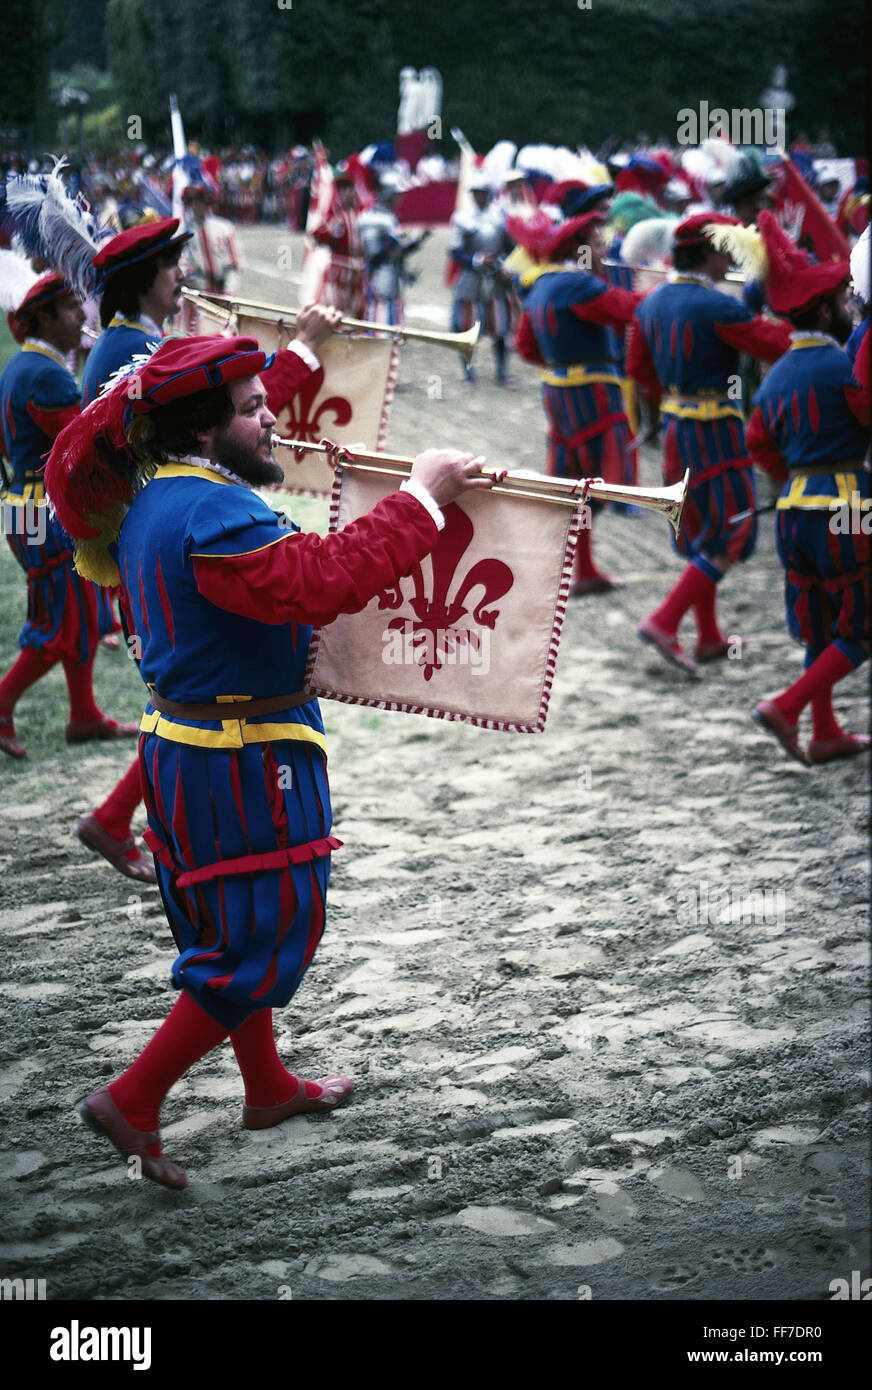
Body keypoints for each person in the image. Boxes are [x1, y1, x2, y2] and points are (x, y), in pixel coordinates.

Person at [45, 331, 492, 1188]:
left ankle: (266, 1083)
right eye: (254, 410)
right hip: (241, 763)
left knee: (225, 927)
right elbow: (321, 582)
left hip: (189, 751)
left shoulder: (162, 497)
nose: (272, 419)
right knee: (267, 933)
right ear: (206, 431)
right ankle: (133, 1098)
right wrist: (422, 500)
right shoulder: (210, 510)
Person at [75, 218, 194, 880]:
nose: (181, 275)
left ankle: (123, 820)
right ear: (145, 277)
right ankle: (125, 822)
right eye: (173, 264)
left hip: (143, 539)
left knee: (182, 694)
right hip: (147, 545)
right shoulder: (131, 353)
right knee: (185, 697)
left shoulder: (130, 343)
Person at [627, 214, 791, 674]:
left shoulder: (652, 302)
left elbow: (639, 370)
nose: (731, 256)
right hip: (715, 430)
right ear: (705, 252)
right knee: (732, 531)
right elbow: (772, 345)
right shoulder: (715, 305)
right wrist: (788, 312)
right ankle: (665, 620)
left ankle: (708, 636)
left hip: (679, 428)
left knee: (701, 530)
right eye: (724, 249)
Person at [742, 212, 869, 764]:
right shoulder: (841, 365)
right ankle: (788, 706)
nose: (849, 307)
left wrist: (794, 472)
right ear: (821, 309)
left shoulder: (773, 375)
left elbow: (758, 444)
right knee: (863, 624)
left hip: (793, 510)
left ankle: (824, 730)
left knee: (818, 621)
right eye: (841, 301)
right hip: (846, 506)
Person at [0, 270, 138, 759]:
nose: (82, 316)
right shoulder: (46, 374)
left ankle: (83, 714)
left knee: (77, 613)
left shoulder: (23, 366)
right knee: (62, 624)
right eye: (71, 309)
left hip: (25, 508)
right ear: (45, 318)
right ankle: (1, 706)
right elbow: (80, 447)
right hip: (45, 513)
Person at [513, 210, 642, 594]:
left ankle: (579, 570)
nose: (604, 249)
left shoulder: (541, 286)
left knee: (574, 483)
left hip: (556, 394)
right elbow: (630, 310)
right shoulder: (579, 286)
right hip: (593, 395)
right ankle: (572, 567)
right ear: (581, 249)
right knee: (605, 482)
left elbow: (526, 346)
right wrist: (669, 294)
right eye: (598, 243)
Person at [448, 171, 516, 386]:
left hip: (495, 280)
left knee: (500, 329)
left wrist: (504, 266)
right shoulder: (462, 218)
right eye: (476, 193)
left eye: (483, 193)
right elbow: (455, 251)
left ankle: (502, 372)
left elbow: (511, 248)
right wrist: (476, 260)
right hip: (470, 280)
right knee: (466, 329)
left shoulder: (500, 217)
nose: (479, 197)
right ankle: (468, 374)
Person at [358, 174, 429, 326]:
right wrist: (393, 240)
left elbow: (397, 252)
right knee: (378, 326)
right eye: (397, 195)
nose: (399, 199)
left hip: (393, 278)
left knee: (393, 327)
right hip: (378, 279)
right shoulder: (371, 218)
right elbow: (373, 253)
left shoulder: (389, 217)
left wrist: (417, 241)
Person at [310, 169, 366, 318]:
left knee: (358, 308)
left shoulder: (361, 212)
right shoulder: (333, 214)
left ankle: (354, 337)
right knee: (335, 308)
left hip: (358, 268)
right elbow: (317, 236)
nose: (348, 192)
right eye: (343, 189)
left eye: (349, 188)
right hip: (339, 267)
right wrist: (332, 229)